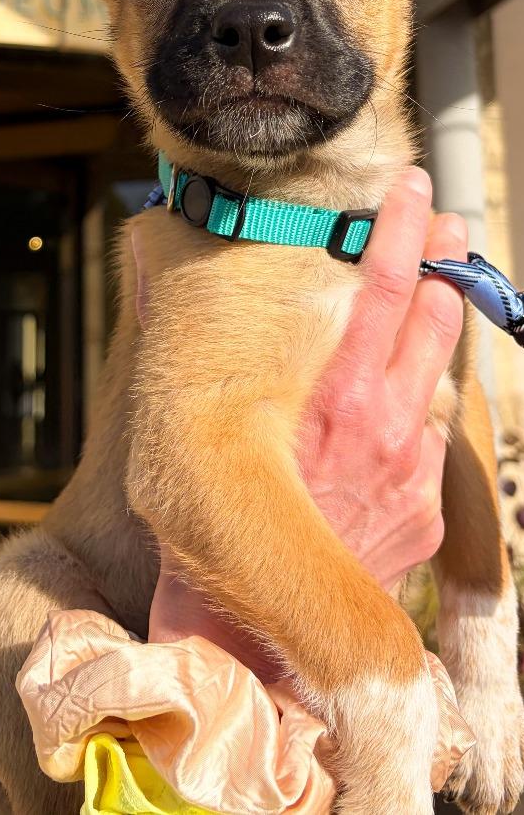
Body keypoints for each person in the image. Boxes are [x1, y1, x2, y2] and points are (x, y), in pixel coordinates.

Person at [148, 168, 468, 679]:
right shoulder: (177, 240)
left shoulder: (408, 235)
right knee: (14, 601)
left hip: (284, 686)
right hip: (146, 636)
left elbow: (458, 410)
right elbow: (187, 469)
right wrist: (379, 679)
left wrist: (481, 634)